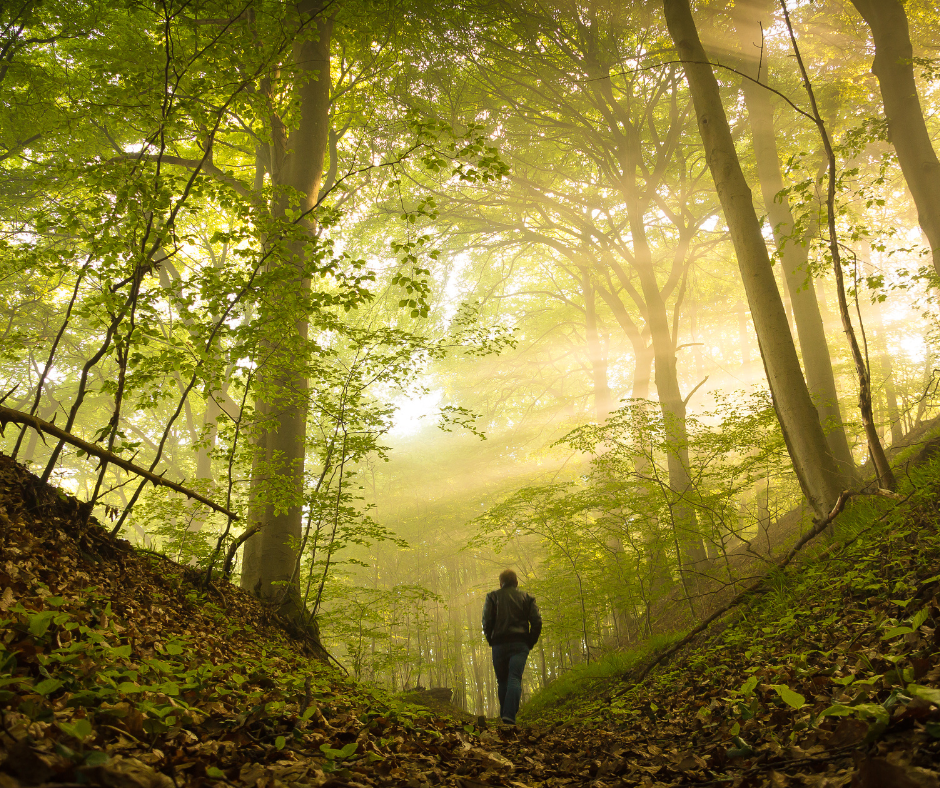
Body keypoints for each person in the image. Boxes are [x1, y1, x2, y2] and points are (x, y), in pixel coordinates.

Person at [481, 568, 542, 726]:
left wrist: (491, 639)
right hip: (520, 643)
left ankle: (505, 718)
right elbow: (537, 622)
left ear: (500, 583)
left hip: (499, 644)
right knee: (514, 678)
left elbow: (486, 621)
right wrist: (529, 642)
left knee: (502, 681)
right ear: (516, 582)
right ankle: (508, 717)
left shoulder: (492, 597)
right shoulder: (527, 598)